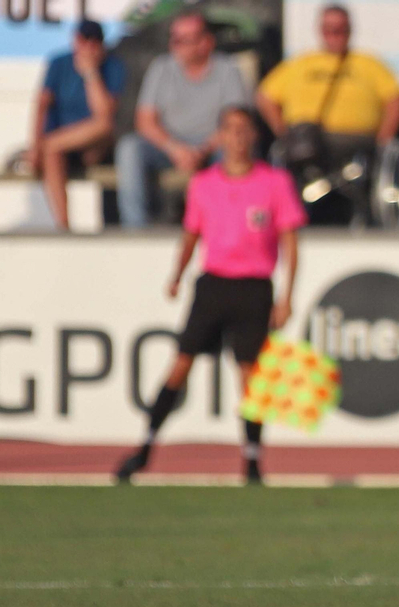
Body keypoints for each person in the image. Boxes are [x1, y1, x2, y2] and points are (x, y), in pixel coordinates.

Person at [116, 107, 306, 485]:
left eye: (243, 130)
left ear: (253, 136)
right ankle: (145, 446)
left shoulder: (274, 183)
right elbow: (191, 234)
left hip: (254, 287)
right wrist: (177, 275)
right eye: (229, 130)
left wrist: (286, 296)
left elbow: (289, 240)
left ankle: (252, 459)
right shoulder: (204, 183)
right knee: (181, 364)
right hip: (213, 285)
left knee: (250, 376)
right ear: (219, 136)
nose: (236, 137)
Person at [255, 3, 399, 201]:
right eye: (329, 29)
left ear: (349, 31)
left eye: (340, 29)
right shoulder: (300, 63)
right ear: (321, 31)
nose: (335, 34)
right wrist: (283, 131)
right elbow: (265, 96)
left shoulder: (369, 64)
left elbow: (395, 100)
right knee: (291, 149)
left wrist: (384, 139)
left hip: (356, 138)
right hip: (306, 138)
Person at [115, 12, 250, 228]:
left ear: (206, 42)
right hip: (169, 147)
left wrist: (201, 151)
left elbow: (236, 123)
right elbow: (145, 120)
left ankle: (226, 225)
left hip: (212, 147)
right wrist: (175, 149)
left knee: (232, 147)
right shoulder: (161, 67)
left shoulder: (228, 69)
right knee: (129, 148)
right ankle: (135, 229)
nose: (175, 45)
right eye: (174, 39)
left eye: (183, 40)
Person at [28, 21, 126, 231]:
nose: (87, 46)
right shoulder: (58, 63)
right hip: (63, 146)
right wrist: (36, 144)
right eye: (83, 40)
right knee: (52, 152)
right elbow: (42, 106)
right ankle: (63, 226)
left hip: (96, 146)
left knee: (101, 125)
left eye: (93, 41)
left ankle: (50, 144)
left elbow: (105, 115)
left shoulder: (113, 66)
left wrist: (90, 73)